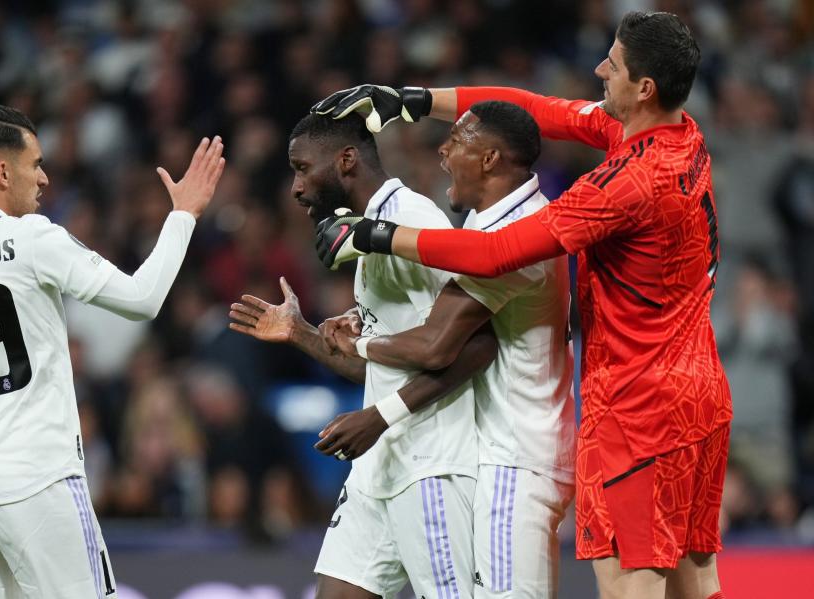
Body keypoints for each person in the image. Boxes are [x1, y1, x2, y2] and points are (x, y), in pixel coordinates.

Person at [312, 11, 732, 599]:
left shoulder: (629, 183)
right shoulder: (676, 133)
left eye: (611, 66)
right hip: (700, 393)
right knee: (696, 581)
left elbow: (496, 251)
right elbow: (540, 110)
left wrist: (374, 235)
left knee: (627, 584)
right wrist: (414, 99)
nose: (597, 71)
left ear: (644, 88)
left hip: (640, 409)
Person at [0, 104, 224, 598]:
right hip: (40, 485)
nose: (44, 179)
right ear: (1, 171)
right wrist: (184, 215)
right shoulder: (31, 238)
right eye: (35, 164)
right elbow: (143, 299)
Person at [228, 112, 498, 599]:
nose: (295, 186)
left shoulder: (413, 221)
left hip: (429, 463)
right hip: (379, 466)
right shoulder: (367, 237)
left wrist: (380, 416)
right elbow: (377, 361)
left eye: (303, 168)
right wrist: (301, 333)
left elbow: (479, 344)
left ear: (346, 161)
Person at [316, 100, 576, 598]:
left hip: (513, 456)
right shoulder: (498, 221)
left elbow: (438, 345)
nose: (442, 151)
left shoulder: (513, 234)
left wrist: (361, 341)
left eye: (456, 142)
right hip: (513, 447)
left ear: (490, 159)